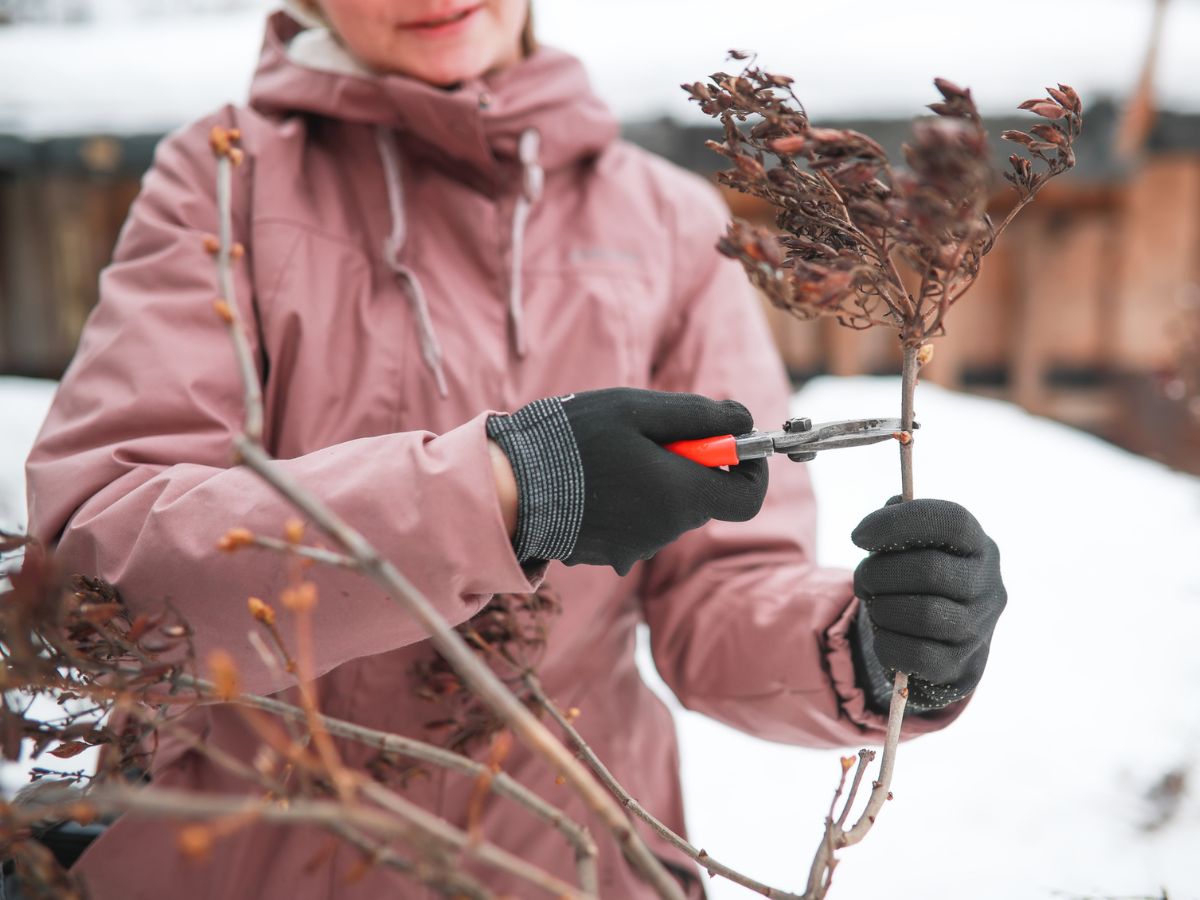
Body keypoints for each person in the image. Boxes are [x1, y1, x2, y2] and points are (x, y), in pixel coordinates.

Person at [24, 1, 1007, 897]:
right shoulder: (226, 182)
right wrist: (513, 489)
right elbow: (97, 573)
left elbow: (723, 589)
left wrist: (869, 649)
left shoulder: (665, 226)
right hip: (252, 851)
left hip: (560, 861)